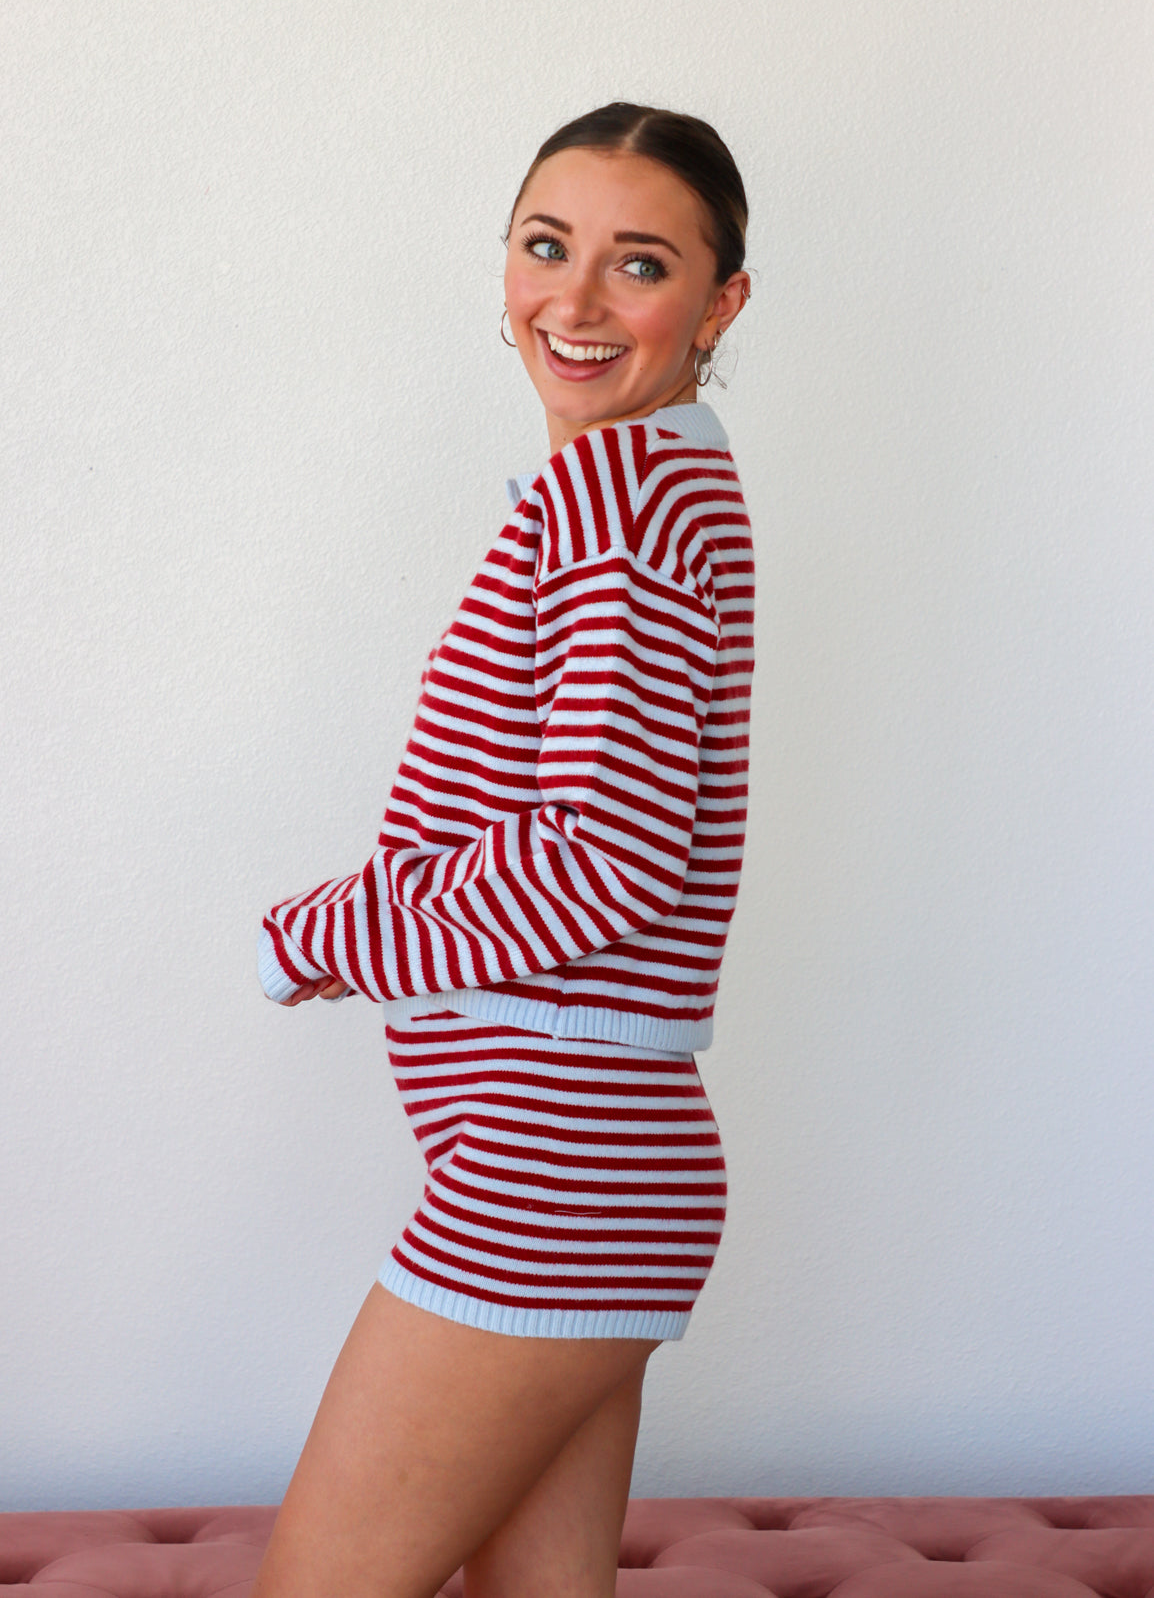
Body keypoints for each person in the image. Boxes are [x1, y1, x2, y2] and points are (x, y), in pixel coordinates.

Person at [252, 102, 754, 1598]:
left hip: (556, 1162)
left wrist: (317, 936)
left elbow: (600, 861)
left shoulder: (617, 503)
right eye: (547, 247)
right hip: (592, 1151)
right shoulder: (664, 482)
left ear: (722, 300)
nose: (576, 301)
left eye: (639, 263)